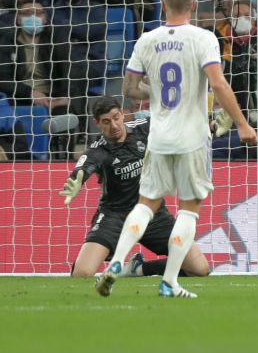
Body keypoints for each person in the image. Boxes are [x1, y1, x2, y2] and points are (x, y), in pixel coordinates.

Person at [95, 0, 256, 299]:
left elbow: (129, 88)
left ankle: (115, 262)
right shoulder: (203, 38)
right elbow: (218, 84)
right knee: (187, 211)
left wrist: (155, 94)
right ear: (194, 6)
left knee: (146, 205)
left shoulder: (147, 39)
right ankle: (169, 280)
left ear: (163, 6)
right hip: (192, 138)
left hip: (159, 136)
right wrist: (242, 124)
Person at [59, 99, 210, 281]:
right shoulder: (97, 151)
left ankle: (139, 269)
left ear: (122, 114)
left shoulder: (144, 127)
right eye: (106, 122)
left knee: (200, 269)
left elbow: (181, 124)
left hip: (153, 215)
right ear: (97, 123)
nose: (114, 125)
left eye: (116, 118)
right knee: (81, 274)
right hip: (114, 217)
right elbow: (82, 170)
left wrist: (212, 123)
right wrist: (75, 181)